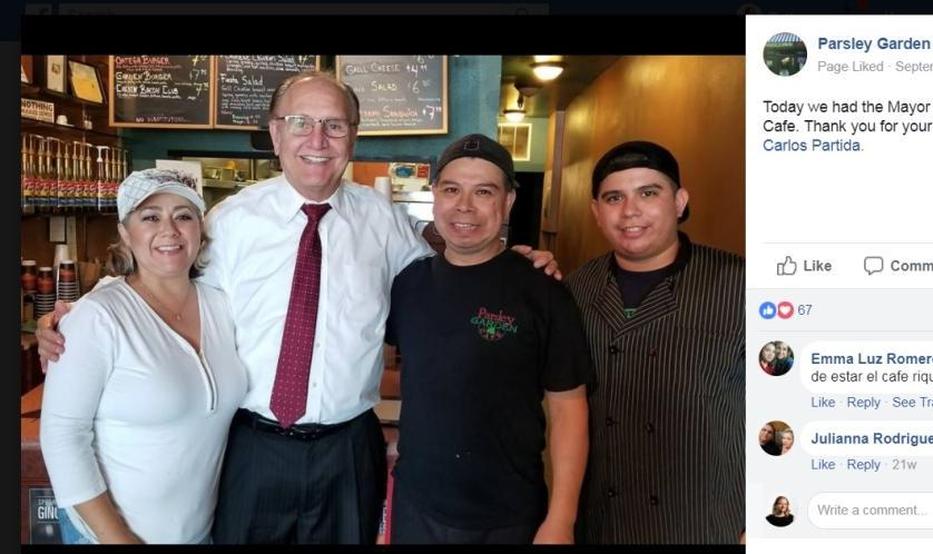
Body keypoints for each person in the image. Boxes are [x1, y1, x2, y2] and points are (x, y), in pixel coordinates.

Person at [36, 71, 558, 544]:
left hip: (349, 450)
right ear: (276, 132)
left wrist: (514, 262)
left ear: (353, 135)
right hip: (253, 446)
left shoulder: (382, 220)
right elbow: (163, 274)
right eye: (301, 122)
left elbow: (452, 260)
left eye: (333, 125)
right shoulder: (230, 220)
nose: (317, 140)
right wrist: (80, 314)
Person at [386, 134, 594, 544]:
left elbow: (568, 410)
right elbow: (408, 374)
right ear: (435, 197)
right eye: (451, 190)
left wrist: (561, 520)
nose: (464, 206)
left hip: (507, 514)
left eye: (483, 191)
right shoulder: (409, 283)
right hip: (417, 506)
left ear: (509, 201)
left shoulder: (544, 291)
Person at [39, 169, 247, 544]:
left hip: (200, 535)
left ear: (199, 230)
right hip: (108, 539)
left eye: (183, 216)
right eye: (150, 217)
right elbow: (62, 437)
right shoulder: (97, 316)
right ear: (124, 233)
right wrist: (119, 540)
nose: (169, 230)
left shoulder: (221, 306)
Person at [565, 140, 744, 543]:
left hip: (709, 523)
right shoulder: (576, 290)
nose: (630, 211)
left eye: (648, 193)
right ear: (596, 212)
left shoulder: (743, 286)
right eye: (614, 198)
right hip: (603, 523)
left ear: (679, 201)